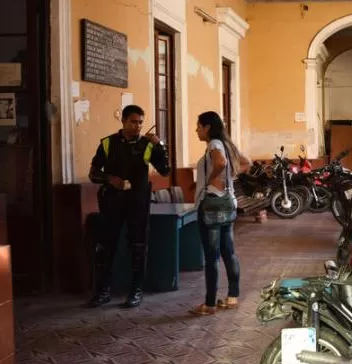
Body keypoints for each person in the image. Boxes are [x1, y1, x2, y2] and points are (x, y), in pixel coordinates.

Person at [87, 105, 171, 308]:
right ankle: (103, 290)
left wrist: (159, 145)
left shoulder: (147, 144)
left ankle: (136, 291)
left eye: (141, 122)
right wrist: (109, 178)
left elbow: (165, 171)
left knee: (138, 246)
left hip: (138, 202)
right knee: (106, 246)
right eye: (133, 122)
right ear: (123, 121)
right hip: (112, 202)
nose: (138, 126)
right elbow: (93, 173)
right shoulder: (108, 143)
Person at [190, 111, 250, 316]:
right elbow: (247, 162)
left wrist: (211, 179)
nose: (196, 130)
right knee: (229, 253)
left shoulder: (214, 144)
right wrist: (229, 177)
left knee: (212, 257)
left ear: (207, 127)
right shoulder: (228, 144)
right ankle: (232, 297)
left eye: (198, 126)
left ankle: (209, 304)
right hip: (228, 203)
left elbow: (221, 163)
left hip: (211, 205)